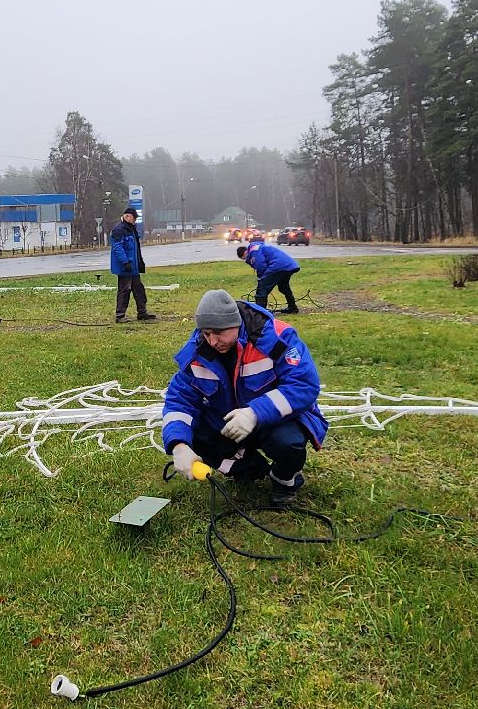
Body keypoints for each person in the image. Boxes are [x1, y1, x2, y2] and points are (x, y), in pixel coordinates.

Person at [160, 289, 325, 504]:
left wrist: (255, 413)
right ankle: (248, 470)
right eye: (206, 334)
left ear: (235, 324)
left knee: (288, 443)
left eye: (218, 333)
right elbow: (179, 401)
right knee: (195, 432)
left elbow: (304, 384)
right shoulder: (198, 353)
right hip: (231, 421)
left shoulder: (275, 337)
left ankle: (284, 480)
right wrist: (178, 446)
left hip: (275, 420)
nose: (212, 341)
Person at [109, 207, 156, 323]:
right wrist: (125, 262)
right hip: (125, 267)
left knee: (139, 289)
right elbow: (117, 248)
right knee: (124, 290)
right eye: (134, 218)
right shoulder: (118, 229)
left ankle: (142, 312)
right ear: (127, 216)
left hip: (133, 267)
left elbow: (136, 248)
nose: (135, 221)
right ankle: (120, 316)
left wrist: (139, 262)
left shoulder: (131, 229)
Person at [235, 241, 301, 314]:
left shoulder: (254, 252)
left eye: (244, 258)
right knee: (284, 288)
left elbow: (261, 266)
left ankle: (260, 313)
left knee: (261, 290)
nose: (246, 259)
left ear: (245, 253)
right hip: (288, 265)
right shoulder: (258, 247)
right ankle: (293, 308)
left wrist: (261, 278)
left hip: (278, 266)